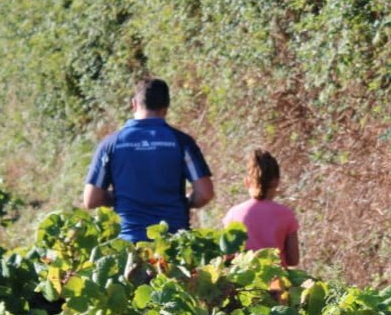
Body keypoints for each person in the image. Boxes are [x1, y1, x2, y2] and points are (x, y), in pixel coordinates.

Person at [83, 77, 214, 241]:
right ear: (166, 107)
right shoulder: (181, 142)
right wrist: (184, 202)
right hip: (174, 242)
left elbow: (91, 199)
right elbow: (205, 193)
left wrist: (117, 198)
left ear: (134, 104)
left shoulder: (111, 144)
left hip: (129, 242)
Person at [222, 149, 300, 267]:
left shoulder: (233, 214)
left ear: (246, 182)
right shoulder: (286, 214)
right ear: (276, 182)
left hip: (243, 277)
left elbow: (227, 256)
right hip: (276, 277)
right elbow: (293, 260)